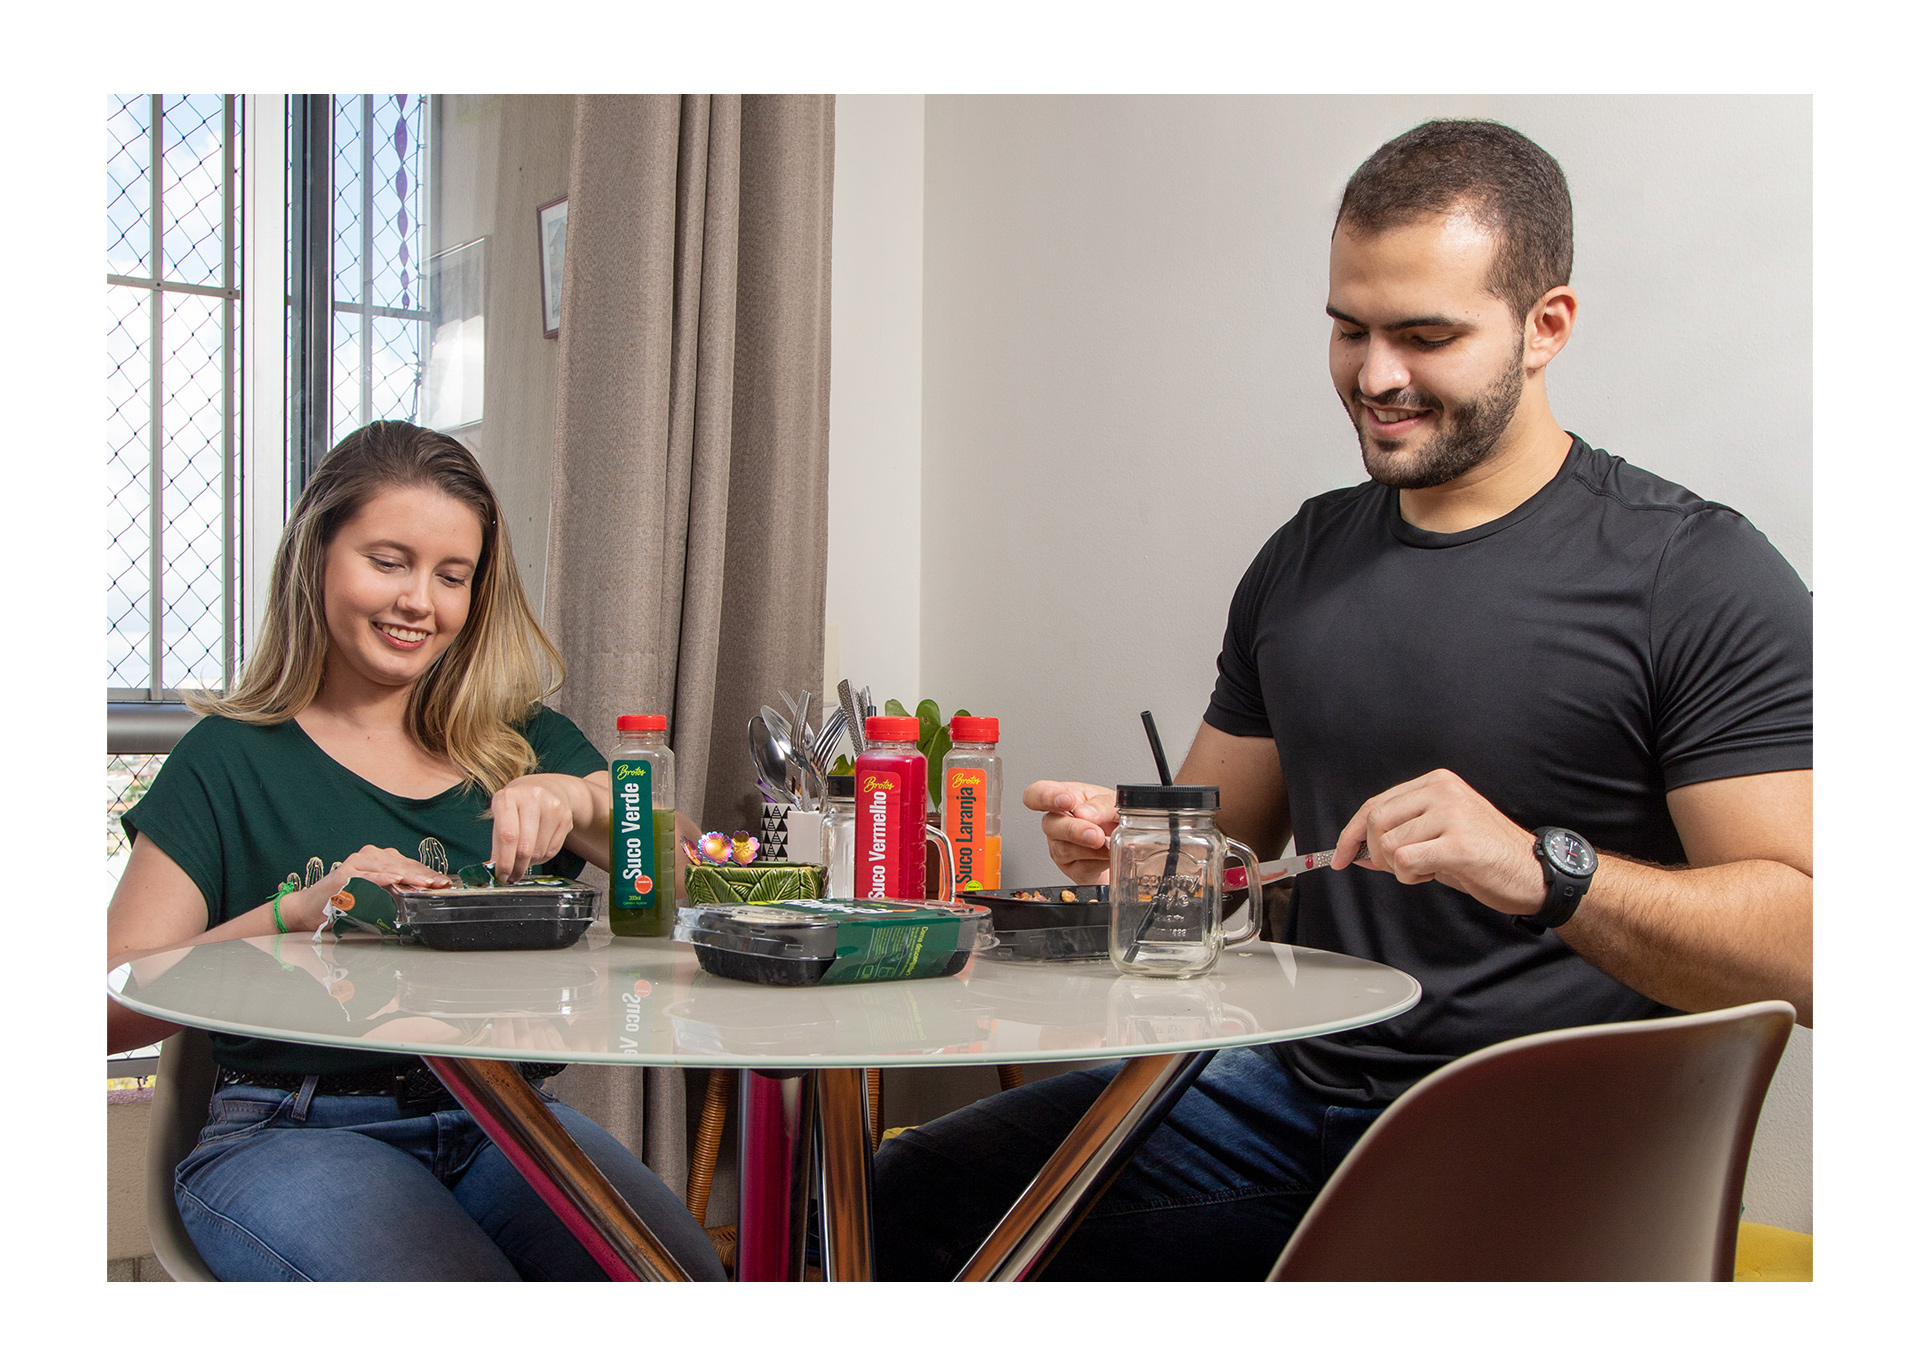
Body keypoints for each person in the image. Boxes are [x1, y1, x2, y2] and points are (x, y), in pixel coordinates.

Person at [872, 119, 1812, 1281]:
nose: (1375, 376)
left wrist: (1545, 869)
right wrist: (1135, 846)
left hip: (1552, 1138)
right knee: (893, 1208)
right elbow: (1225, 851)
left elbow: (1817, 952)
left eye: (1426, 336)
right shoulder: (1303, 556)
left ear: (1547, 326)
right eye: (1349, 328)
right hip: (1286, 1086)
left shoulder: (1695, 573)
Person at [107, 421, 726, 1281]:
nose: (419, 603)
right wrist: (299, 911)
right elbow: (105, 1005)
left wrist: (578, 796)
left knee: (685, 1288)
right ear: (317, 555)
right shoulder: (228, 759)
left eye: (451, 576)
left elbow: (695, 883)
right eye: (388, 561)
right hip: (293, 1129)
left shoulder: (523, 740)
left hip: (507, 1120)